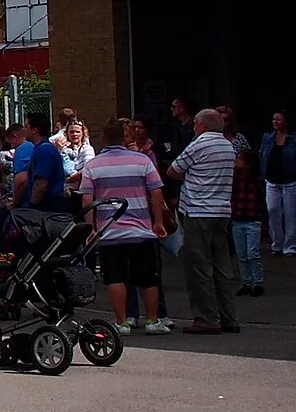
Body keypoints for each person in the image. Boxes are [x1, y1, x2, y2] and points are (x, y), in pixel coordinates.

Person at [78, 118, 170, 332]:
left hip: (110, 231)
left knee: (115, 277)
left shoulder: (93, 166)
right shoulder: (142, 161)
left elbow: (86, 199)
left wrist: (91, 228)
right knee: (148, 278)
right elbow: (156, 191)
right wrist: (158, 222)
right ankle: (152, 320)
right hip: (141, 230)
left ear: (104, 138)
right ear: (123, 137)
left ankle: (122, 321)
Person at [168, 107, 241, 335]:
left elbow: (173, 170)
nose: (193, 128)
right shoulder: (228, 146)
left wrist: (188, 177)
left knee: (199, 267)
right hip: (221, 211)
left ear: (202, 126)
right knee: (222, 267)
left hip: (199, 211)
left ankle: (206, 318)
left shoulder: (200, 143)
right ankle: (229, 317)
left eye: (195, 124)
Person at [259, 113, 296, 256]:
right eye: (274, 118)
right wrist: (263, 172)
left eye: (279, 119)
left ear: (287, 122)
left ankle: (291, 247)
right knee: (273, 210)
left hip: (292, 181)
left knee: (292, 214)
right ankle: (277, 244)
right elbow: (262, 154)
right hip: (272, 180)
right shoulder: (267, 137)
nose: (275, 121)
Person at [230, 143, 265, 297]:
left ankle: (257, 282)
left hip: (252, 219)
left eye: (239, 159)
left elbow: (260, 200)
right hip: (238, 219)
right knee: (241, 254)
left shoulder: (256, 180)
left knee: (252, 252)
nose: (236, 161)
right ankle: (246, 282)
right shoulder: (235, 179)